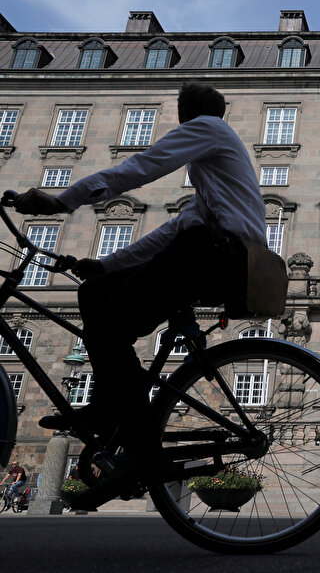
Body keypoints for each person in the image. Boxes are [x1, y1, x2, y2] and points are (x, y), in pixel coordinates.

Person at [14, 81, 267, 509]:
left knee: (110, 330)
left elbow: (143, 166)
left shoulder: (207, 129)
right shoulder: (211, 183)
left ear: (186, 112)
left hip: (216, 254)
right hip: (215, 252)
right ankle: (106, 408)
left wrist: (64, 201)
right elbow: (171, 230)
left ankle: (141, 448)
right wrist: (103, 265)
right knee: (95, 292)